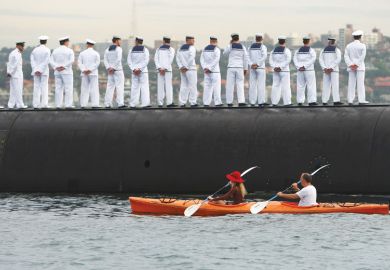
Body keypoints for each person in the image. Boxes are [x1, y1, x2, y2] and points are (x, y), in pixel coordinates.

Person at [223, 33, 249, 107]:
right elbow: (246, 58)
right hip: (240, 67)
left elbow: (224, 53)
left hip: (231, 67)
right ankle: (241, 101)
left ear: (232, 39)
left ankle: (229, 102)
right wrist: (245, 68)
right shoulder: (242, 47)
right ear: (238, 38)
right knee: (240, 84)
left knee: (230, 85)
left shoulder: (230, 46)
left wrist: (229, 44)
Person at [344, 30, 369, 105]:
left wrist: (351, 64)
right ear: (360, 37)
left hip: (351, 67)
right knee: (360, 84)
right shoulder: (363, 46)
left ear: (353, 37)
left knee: (351, 83)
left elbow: (346, 56)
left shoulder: (348, 46)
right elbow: (362, 57)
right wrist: (357, 64)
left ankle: (350, 100)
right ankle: (361, 100)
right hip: (360, 67)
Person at [50, 36, 75, 108]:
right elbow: (72, 60)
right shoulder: (69, 50)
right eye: (68, 42)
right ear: (66, 42)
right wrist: (63, 66)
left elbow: (51, 60)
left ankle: (58, 105)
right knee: (68, 88)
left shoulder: (55, 50)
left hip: (57, 72)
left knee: (58, 88)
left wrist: (56, 67)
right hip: (67, 72)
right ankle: (68, 105)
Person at [293, 36, 317, 106]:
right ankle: (311, 101)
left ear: (303, 41)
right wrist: (305, 66)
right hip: (309, 70)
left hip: (300, 70)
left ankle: (300, 101)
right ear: (309, 41)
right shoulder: (311, 50)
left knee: (300, 85)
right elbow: (313, 59)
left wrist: (299, 67)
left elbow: (294, 59)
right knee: (311, 85)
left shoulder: (298, 50)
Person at [319, 36, 343, 106]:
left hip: (326, 71)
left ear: (328, 42)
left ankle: (324, 101)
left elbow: (321, 60)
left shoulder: (323, 50)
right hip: (334, 70)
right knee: (335, 85)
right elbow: (338, 59)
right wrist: (331, 67)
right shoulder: (337, 50)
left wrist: (325, 68)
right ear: (334, 42)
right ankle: (336, 101)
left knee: (326, 86)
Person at [200, 36, 222, 107]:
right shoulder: (217, 49)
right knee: (216, 87)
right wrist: (210, 68)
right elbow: (216, 60)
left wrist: (205, 68)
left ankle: (206, 103)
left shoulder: (204, 49)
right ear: (216, 41)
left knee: (207, 87)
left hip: (206, 72)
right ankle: (218, 103)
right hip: (215, 72)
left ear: (210, 41)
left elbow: (201, 60)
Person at [128, 37, 150, 108]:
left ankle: (133, 104)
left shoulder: (131, 50)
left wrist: (134, 69)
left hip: (134, 72)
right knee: (144, 87)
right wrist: (140, 69)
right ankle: (145, 103)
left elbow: (129, 61)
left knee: (134, 87)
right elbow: (146, 61)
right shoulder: (145, 50)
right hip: (143, 72)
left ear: (136, 41)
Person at [77, 39, 101, 108]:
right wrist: (90, 70)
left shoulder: (82, 53)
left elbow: (79, 63)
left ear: (87, 44)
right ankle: (95, 104)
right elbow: (97, 63)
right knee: (94, 89)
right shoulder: (96, 53)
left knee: (84, 89)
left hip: (84, 73)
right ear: (92, 45)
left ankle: (83, 104)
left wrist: (84, 70)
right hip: (93, 73)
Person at [269, 36, 292, 106]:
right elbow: (288, 60)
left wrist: (275, 67)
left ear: (278, 41)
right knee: (286, 86)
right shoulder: (287, 50)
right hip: (284, 71)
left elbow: (270, 60)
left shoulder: (273, 51)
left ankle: (274, 102)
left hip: (276, 71)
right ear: (285, 41)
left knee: (275, 86)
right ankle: (287, 102)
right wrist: (281, 67)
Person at [104, 36, 125, 108]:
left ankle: (107, 103)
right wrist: (113, 68)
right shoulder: (119, 49)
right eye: (120, 40)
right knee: (119, 87)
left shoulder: (107, 49)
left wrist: (109, 68)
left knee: (109, 87)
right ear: (116, 41)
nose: (121, 42)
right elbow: (118, 59)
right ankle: (120, 103)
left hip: (110, 71)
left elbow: (105, 60)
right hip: (118, 70)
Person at [154, 36, 176, 107]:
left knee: (160, 86)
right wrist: (165, 68)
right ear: (169, 41)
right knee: (168, 86)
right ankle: (169, 103)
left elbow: (156, 59)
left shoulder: (158, 49)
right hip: (168, 70)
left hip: (160, 71)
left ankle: (160, 103)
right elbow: (171, 59)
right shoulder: (171, 49)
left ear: (163, 41)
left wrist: (159, 68)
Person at [176, 35, 198, 107]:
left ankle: (182, 102)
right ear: (188, 40)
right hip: (191, 69)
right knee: (193, 85)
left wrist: (181, 67)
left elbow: (177, 58)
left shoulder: (180, 48)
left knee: (184, 85)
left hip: (183, 70)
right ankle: (193, 102)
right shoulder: (192, 48)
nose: (194, 41)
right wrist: (186, 67)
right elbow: (191, 58)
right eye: (192, 40)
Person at [30, 36, 51, 109]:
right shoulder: (47, 50)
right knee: (44, 87)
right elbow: (47, 61)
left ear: (40, 41)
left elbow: (32, 61)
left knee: (36, 87)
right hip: (44, 71)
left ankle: (35, 104)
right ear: (46, 41)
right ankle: (44, 104)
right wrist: (41, 70)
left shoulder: (34, 50)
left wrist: (36, 69)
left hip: (35, 71)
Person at [248, 33, 268, 107]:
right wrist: (258, 64)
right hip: (260, 68)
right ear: (262, 39)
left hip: (252, 68)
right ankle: (261, 102)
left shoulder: (250, 47)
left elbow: (247, 57)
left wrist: (252, 64)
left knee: (252, 85)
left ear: (255, 38)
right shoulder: (263, 47)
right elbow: (264, 56)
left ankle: (252, 102)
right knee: (261, 85)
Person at [7, 41, 27, 109]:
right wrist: (11, 72)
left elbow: (9, 64)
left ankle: (11, 105)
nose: (23, 48)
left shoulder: (12, 53)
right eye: (22, 46)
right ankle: (20, 104)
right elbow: (15, 65)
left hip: (13, 75)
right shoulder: (17, 54)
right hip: (17, 75)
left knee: (13, 90)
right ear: (18, 46)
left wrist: (9, 72)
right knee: (18, 90)